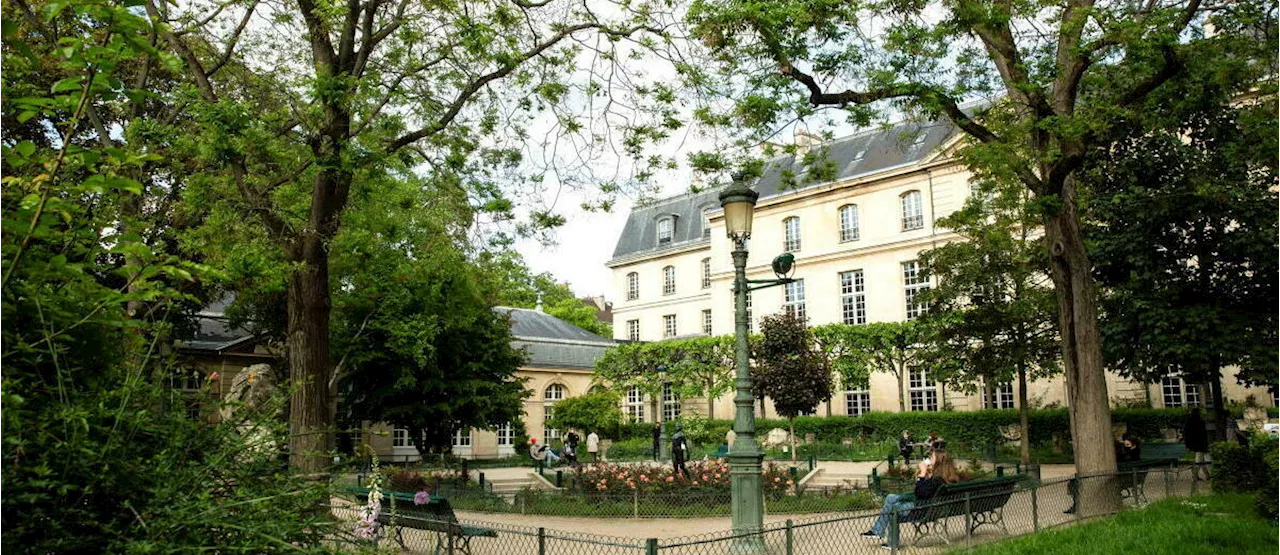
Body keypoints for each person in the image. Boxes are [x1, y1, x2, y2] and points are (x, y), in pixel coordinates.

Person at [862, 449, 961, 549]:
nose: (930, 459)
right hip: (931, 506)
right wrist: (928, 477)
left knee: (894, 508)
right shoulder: (946, 477)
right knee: (890, 497)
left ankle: (892, 544)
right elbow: (927, 492)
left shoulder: (937, 480)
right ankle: (877, 531)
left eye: (932, 458)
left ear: (939, 461)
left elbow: (920, 492)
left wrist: (922, 474)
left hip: (922, 509)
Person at [1184, 407, 1209, 479]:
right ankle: (1195, 475)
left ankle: (1207, 475)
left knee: (1200, 459)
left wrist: (1187, 444)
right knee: (1199, 459)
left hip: (1194, 443)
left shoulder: (1189, 421)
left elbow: (1186, 433)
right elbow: (1203, 433)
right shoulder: (1200, 422)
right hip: (1199, 443)